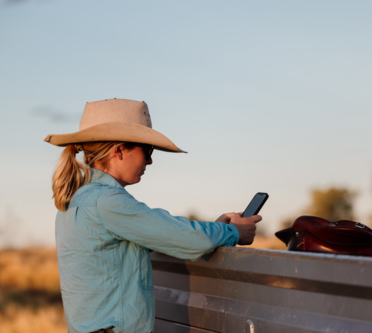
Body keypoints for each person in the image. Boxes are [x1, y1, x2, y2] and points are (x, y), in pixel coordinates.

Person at [45, 99, 261, 333]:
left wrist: (214, 229)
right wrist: (234, 232)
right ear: (118, 150)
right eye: (147, 150)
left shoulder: (77, 199)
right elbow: (180, 235)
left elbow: (152, 240)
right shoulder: (108, 202)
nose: (150, 160)